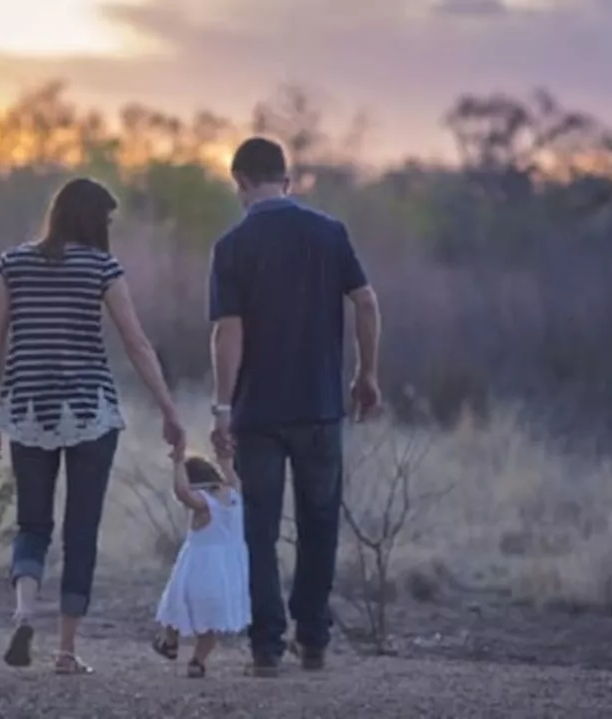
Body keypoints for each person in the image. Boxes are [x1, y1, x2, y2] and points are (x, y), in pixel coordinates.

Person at [0, 177, 186, 676]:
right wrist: (169, 409)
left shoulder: (13, 263)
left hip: (27, 409)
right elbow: (136, 344)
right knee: (81, 528)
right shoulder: (102, 267)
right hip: (90, 411)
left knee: (32, 523)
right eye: (107, 220)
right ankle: (66, 652)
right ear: (93, 219)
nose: (110, 229)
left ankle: (25, 613)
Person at [207, 137, 381, 677]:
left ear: (239, 181)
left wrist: (221, 406)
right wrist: (365, 373)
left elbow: (227, 332)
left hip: (258, 411)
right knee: (319, 522)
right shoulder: (329, 233)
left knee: (258, 527)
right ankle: (313, 638)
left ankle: (266, 646)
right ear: (286, 178)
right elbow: (367, 301)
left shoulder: (232, 245)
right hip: (320, 406)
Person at [150, 451, 251, 678]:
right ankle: (198, 660)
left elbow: (182, 492)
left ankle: (170, 642)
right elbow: (229, 471)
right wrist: (224, 455)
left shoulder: (204, 504)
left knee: (176, 602)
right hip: (228, 569)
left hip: (199, 566)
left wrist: (177, 463)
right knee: (211, 618)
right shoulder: (235, 494)